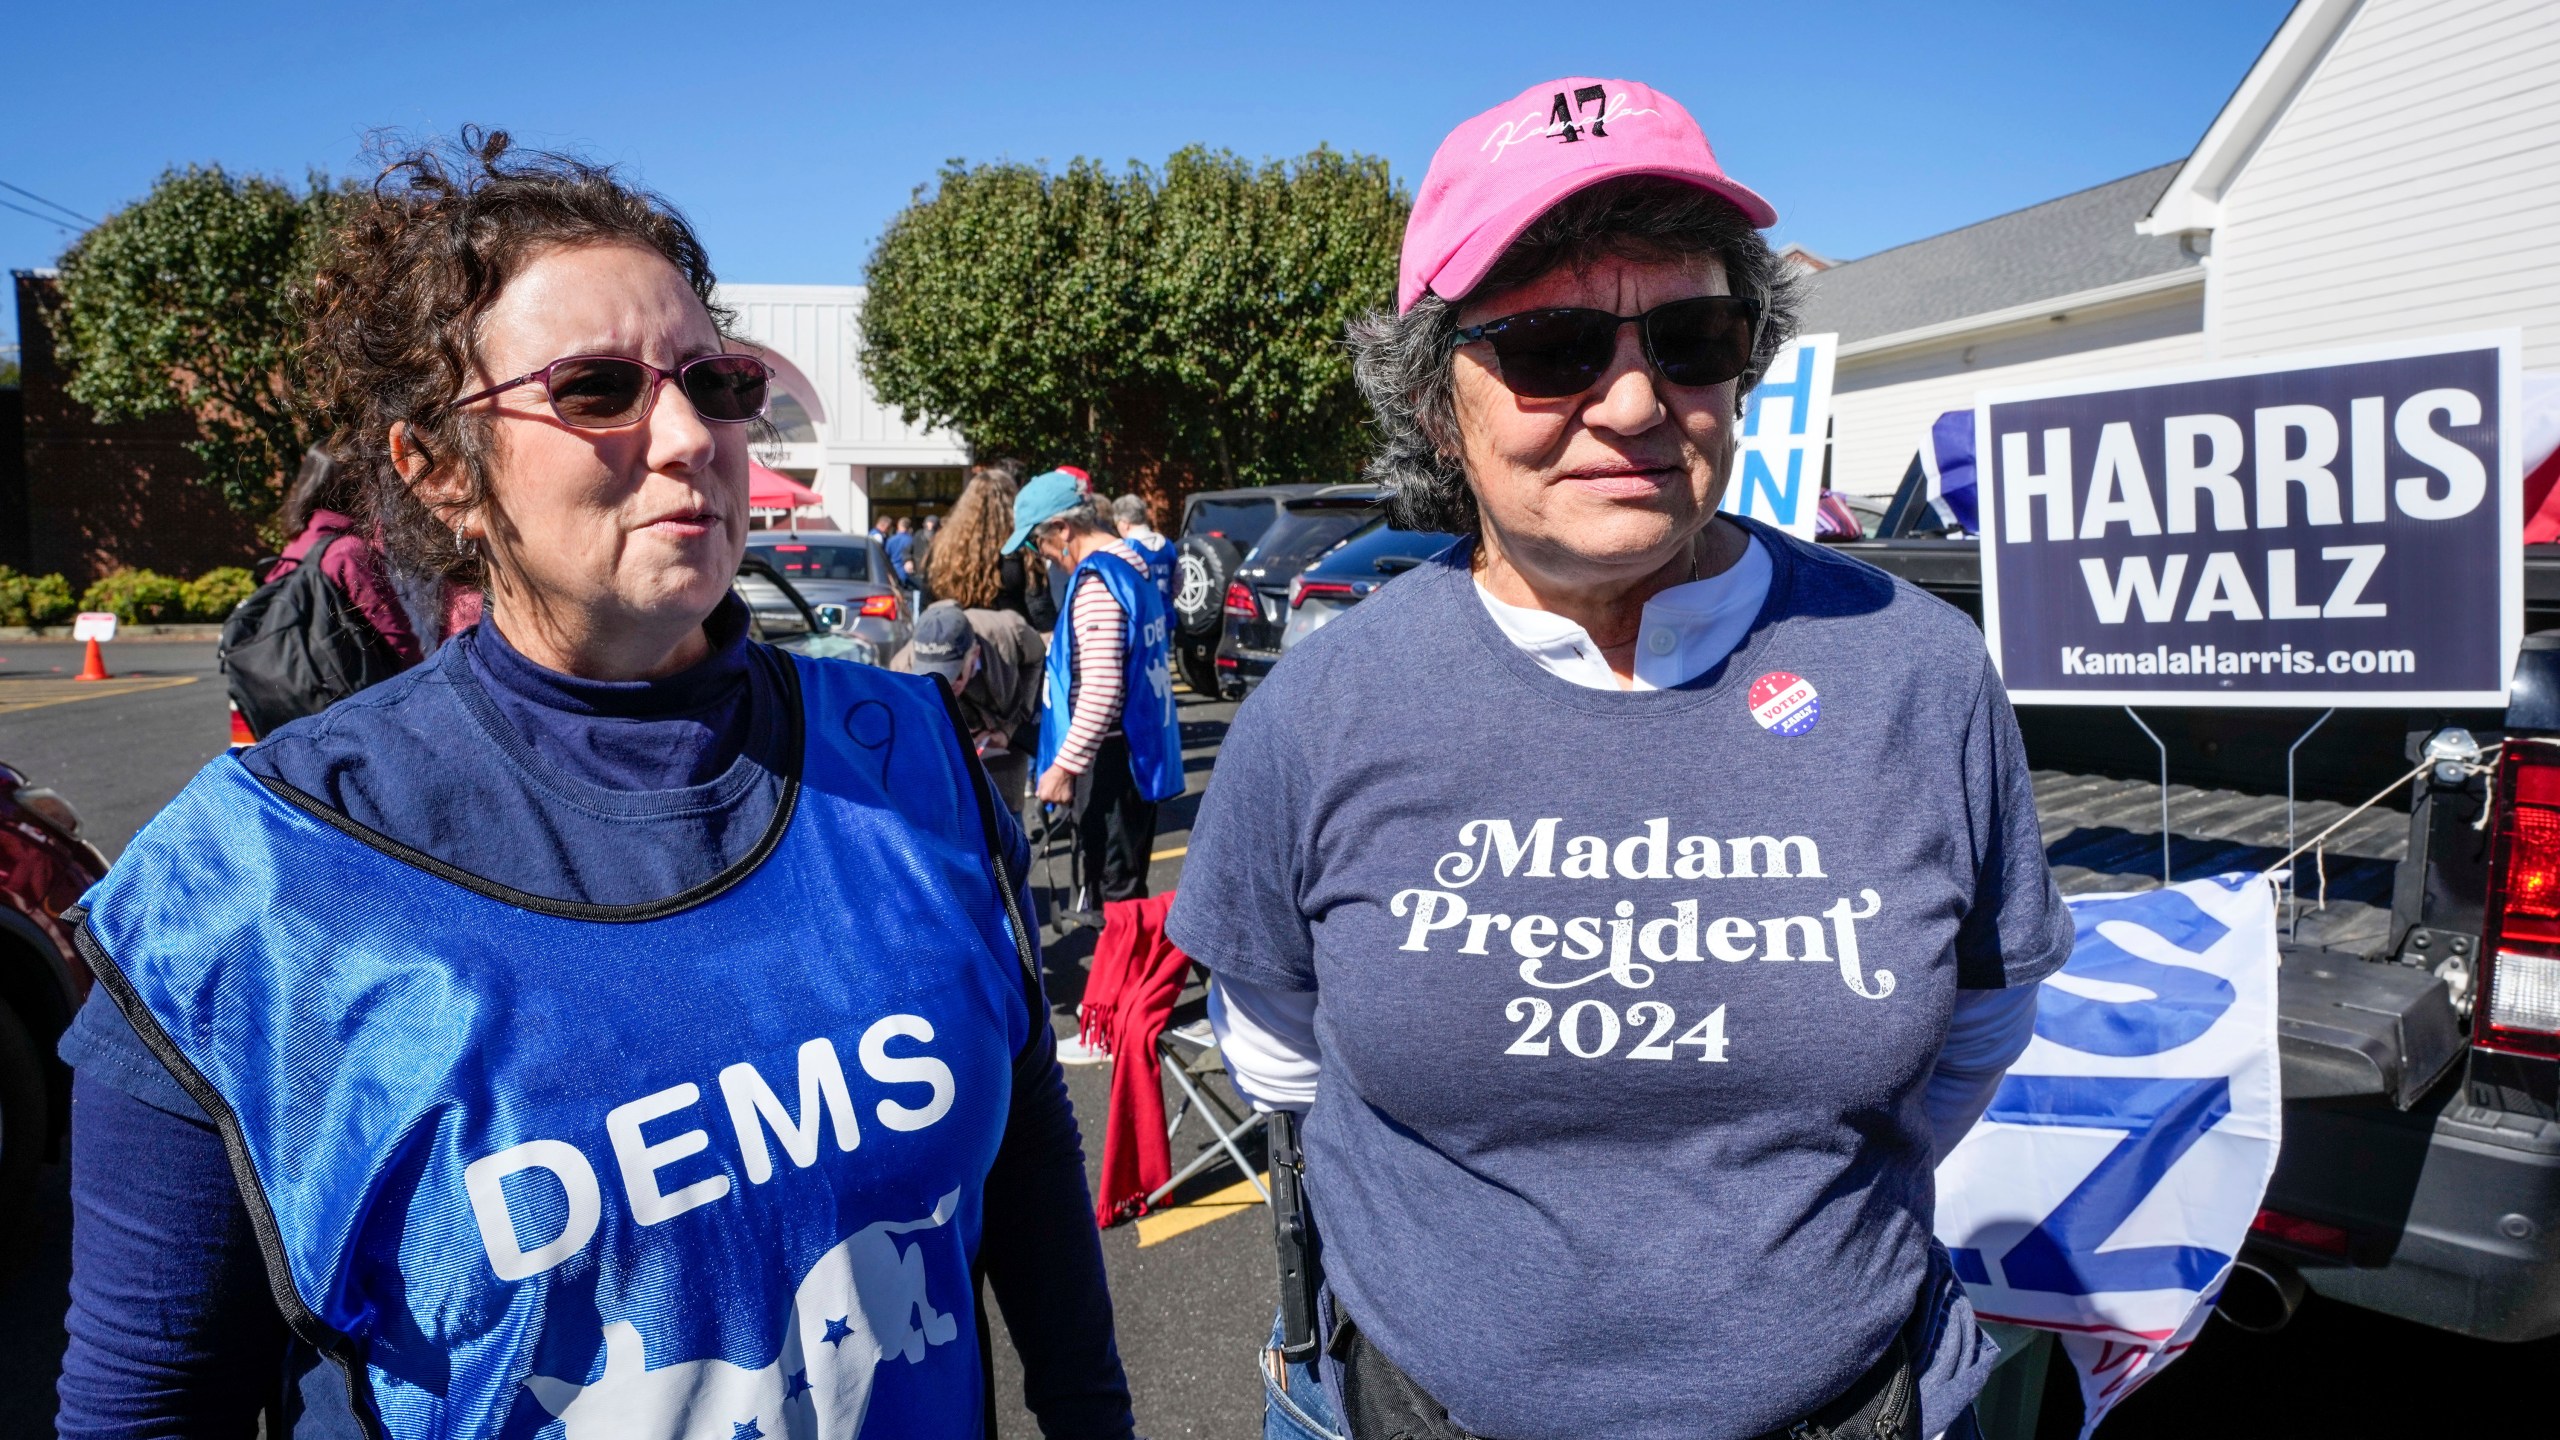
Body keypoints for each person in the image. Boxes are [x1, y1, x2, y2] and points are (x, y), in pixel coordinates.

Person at [55, 132, 1134, 1440]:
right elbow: (146, 1409)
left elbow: (1025, 1182)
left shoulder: (908, 752)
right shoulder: (239, 897)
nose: (689, 436)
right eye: (599, 388)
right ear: (439, 468)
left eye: (713, 381)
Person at [1167, 78, 2069, 1440]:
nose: (1637, 400)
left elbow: (1979, 1028)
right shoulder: (1327, 701)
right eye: (1551, 347)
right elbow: (1282, 1060)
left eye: (1695, 336)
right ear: (1433, 400)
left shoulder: (1917, 672)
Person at [1010, 471, 1184, 911]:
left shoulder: (1097, 582)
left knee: (1116, 902)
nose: (1040, 555)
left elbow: (1103, 689)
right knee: (1125, 891)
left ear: (1062, 529)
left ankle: (1128, 981)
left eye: (1036, 543)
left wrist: (1064, 767)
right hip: (1133, 754)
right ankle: (1131, 976)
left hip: (1109, 763)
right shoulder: (1130, 565)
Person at [266, 446, 426, 667]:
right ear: (354, 488)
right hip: (350, 685)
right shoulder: (348, 551)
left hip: (304, 679)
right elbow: (394, 634)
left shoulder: (296, 544)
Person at [893, 599, 1047, 817]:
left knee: (1006, 811)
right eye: (932, 678)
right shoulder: (902, 669)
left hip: (1002, 737)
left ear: (973, 654)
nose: (945, 687)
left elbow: (1037, 656)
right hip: (947, 755)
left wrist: (1010, 726)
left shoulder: (1010, 632)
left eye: (951, 676)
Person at [1111, 493, 1176, 609]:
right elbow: (1178, 582)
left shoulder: (1126, 548)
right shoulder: (1167, 545)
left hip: (1141, 619)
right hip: (1166, 617)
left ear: (1124, 524)